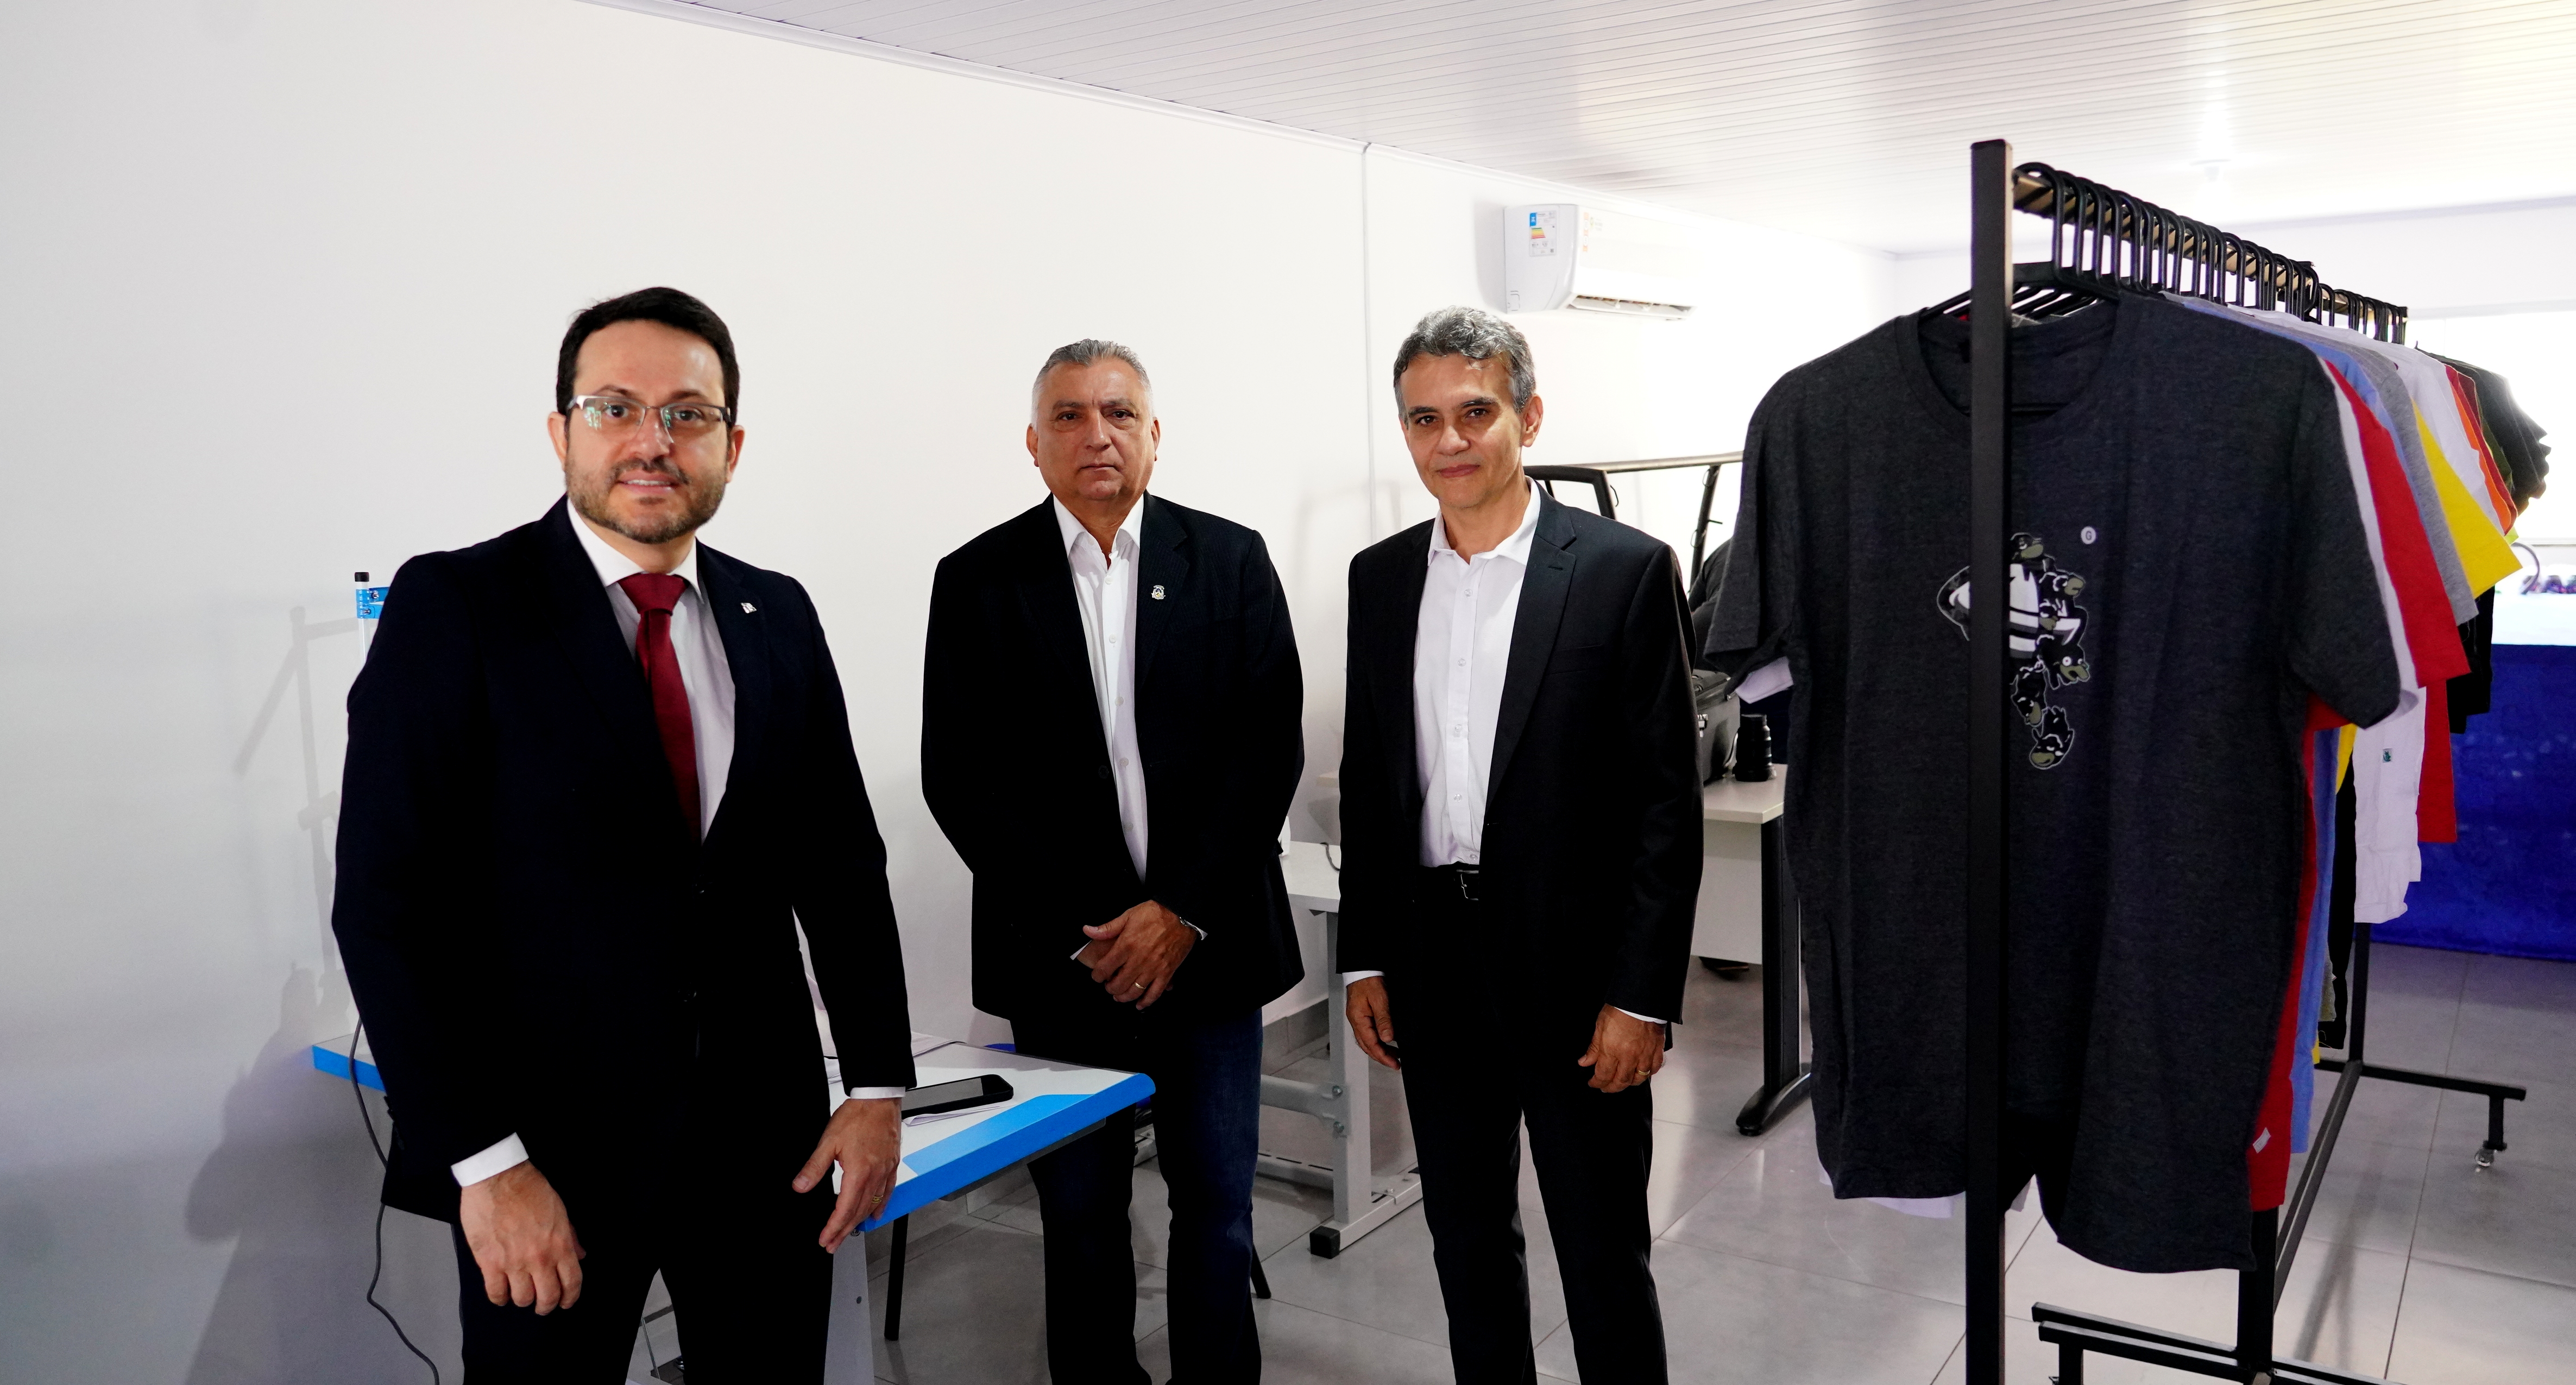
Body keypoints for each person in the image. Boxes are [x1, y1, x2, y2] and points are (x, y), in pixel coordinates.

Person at [333, 287, 915, 1382]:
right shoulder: (459, 607)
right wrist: (485, 1163)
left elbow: (841, 865)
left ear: (732, 445)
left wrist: (878, 1087)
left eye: (688, 414)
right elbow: (385, 906)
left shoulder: (777, 613)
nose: (653, 441)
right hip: (548, 1158)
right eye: (615, 408)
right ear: (561, 432)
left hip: (765, 1145)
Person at [921, 339, 1304, 1384]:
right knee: (1082, 1211)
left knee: (1216, 1204)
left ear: (1155, 434)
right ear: (1034, 443)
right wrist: (1092, 929)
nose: (1098, 434)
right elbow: (962, 778)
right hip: (1068, 962)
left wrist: (1181, 909)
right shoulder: (978, 579)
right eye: (1071, 416)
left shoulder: (1230, 560)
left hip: (1210, 948)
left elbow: (1265, 751)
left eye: (1120, 413)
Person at [1337, 307, 1700, 1383]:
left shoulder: (1622, 570)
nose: (1449, 440)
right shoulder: (1379, 578)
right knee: (1464, 1242)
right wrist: (1364, 955)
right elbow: (1370, 778)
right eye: (1423, 419)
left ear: (1527, 418)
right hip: (1432, 963)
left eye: (1475, 412)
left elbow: (1664, 804)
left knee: (1600, 1250)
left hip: (1576, 971)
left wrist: (1642, 995)